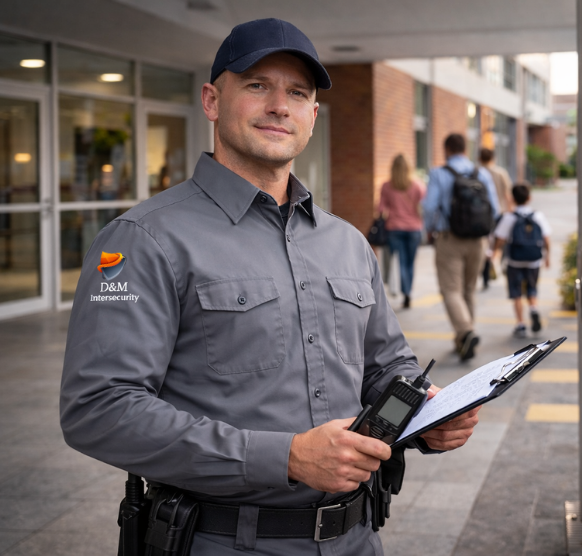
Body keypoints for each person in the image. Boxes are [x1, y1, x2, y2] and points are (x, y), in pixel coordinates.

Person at [59, 18, 479, 556]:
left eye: (297, 93)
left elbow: (385, 367)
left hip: (359, 539)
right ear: (212, 100)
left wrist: (426, 416)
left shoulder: (347, 242)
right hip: (221, 543)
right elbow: (98, 408)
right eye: (257, 85)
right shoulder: (143, 239)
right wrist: (284, 456)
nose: (280, 105)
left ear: (312, 116)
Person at [423, 134, 500, 361]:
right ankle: (464, 341)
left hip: (450, 238)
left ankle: (466, 331)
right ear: (465, 149)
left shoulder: (439, 173)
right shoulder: (482, 173)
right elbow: (494, 210)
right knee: (468, 289)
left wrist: (430, 229)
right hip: (478, 240)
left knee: (451, 290)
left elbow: (429, 207)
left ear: (447, 149)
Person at [492, 183, 552, 338]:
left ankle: (521, 324)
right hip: (534, 260)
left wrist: (495, 252)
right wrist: (547, 256)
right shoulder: (537, 216)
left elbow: (500, 238)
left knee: (516, 292)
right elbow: (546, 238)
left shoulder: (509, 217)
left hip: (514, 261)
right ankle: (533, 308)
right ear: (529, 198)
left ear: (512, 199)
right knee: (532, 288)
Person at [377, 154, 425, 309]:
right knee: (410, 263)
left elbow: (380, 209)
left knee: (400, 262)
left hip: (394, 229)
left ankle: (404, 292)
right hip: (414, 229)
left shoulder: (386, 186)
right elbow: (423, 207)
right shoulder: (417, 186)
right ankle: (408, 291)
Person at [478, 147, 513, 289]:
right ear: (493, 158)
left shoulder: (477, 172)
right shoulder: (500, 173)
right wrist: (511, 212)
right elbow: (508, 195)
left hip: (481, 215)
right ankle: (499, 262)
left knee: (486, 245)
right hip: (500, 213)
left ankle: (486, 276)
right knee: (500, 242)